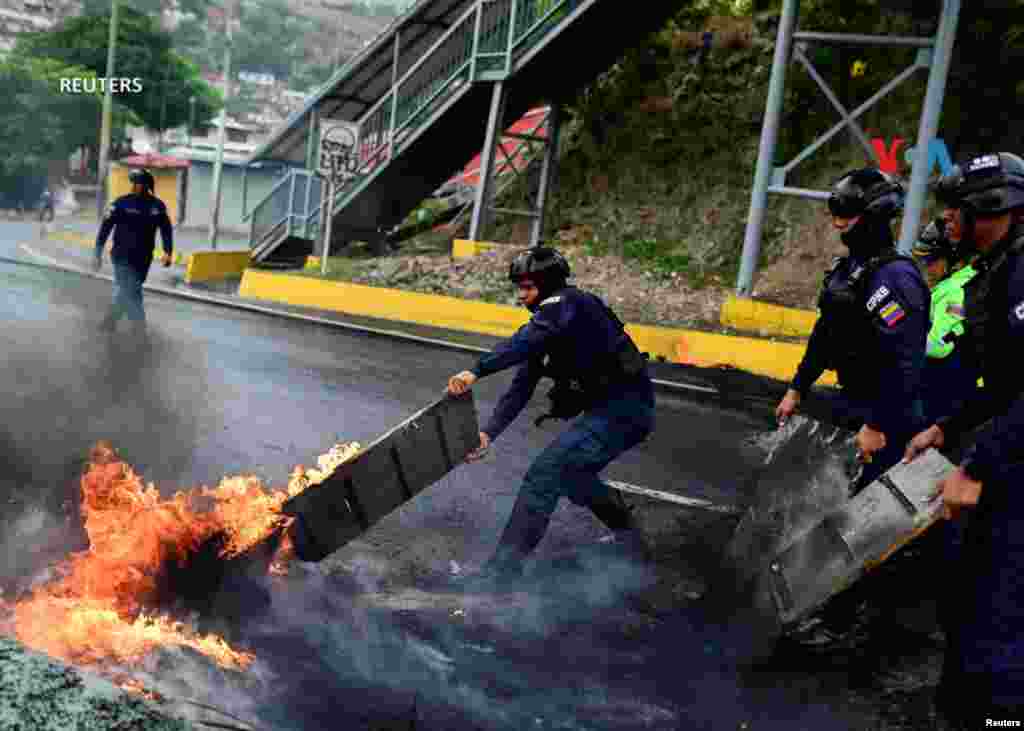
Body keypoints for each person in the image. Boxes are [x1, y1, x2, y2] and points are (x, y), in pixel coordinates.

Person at [446, 246, 654, 587]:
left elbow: (525, 342)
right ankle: (630, 539)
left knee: (545, 475)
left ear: (547, 285)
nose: (521, 296)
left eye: (527, 288)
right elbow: (521, 386)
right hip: (612, 412)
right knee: (573, 474)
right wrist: (488, 433)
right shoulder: (550, 325)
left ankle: (498, 579)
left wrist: (476, 370)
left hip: (625, 411)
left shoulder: (569, 303)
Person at [903, 152, 1024, 725]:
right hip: (1009, 452)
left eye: (957, 210)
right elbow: (1004, 384)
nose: (947, 222)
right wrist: (945, 428)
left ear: (994, 209)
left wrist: (975, 466)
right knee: (969, 603)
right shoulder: (998, 271)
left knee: (998, 621)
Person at [775, 168, 930, 493]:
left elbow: (905, 361)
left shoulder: (895, 278)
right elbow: (826, 333)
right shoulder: (847, 270)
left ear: (873, 215)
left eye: (846, 216)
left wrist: (876, 424)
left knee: (871, 519)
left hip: (887, 419)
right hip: (853, 404)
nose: (837, 224)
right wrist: (797, 387)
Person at [911, 218, 978, 425]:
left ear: (953, 258)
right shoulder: (963, 281)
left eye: (931, 260)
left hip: (942, 394)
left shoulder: (955, 291)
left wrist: (902, 345)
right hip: (950, 389)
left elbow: (940, 345)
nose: (927, 267)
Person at [93, 169, 173, 335]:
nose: (135, 186)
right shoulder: (121, 203)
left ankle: (114, 321)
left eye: (139, 183)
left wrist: (167, 251)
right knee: (129, 287)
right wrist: (97, 253)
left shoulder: (157, 206)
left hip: (143, 258)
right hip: (121, 255)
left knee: (132, 289)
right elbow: (105, 227)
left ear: (146, 185)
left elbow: (166, 229)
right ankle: (137, 326)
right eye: (134, 183)